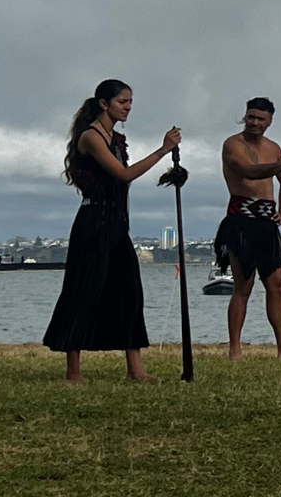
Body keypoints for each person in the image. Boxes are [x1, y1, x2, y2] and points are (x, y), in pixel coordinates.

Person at [43, 79, 181, 383]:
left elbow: (124, 181)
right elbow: (123, 174)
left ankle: (135, 369)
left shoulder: (116, 139)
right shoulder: (91, 137)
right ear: (104, 103)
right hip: (93, 223)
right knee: (83, 291)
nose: (128, 107)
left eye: (130, 102)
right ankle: (73, 372)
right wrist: (162, 150)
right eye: (122, 101)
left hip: (117, 223)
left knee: (129, 291)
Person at [215, 97, 281, 360]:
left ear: (269, 122)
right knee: (244, 284)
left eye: (260, 119)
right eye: (250, 117)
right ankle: (235, 349)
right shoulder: (233, 144)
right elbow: (249, 171)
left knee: (277, 284)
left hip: (267, 221)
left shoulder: (274, 148)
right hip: (240, 220)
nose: (254, 122)